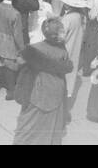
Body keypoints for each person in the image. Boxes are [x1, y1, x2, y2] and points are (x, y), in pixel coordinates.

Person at [13, 17, 73, 145]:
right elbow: (68, 66)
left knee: (29, 123)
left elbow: (18, 61)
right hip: (57, 90)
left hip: (39, 91)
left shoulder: (34, 48)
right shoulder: (62, 50)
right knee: (52, 124)